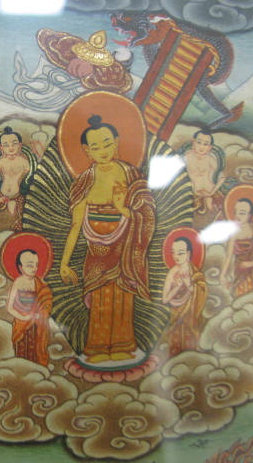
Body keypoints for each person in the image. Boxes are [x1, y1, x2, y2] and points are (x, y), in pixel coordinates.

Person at [59, 115, 155, 363]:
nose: (103, 151)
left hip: (124, 250)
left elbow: (145, 215)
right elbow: (76, 225)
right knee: (100, 297)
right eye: (95, 147)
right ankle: (98, 348)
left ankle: (123, 344)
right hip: (97, 253)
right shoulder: (85, 181)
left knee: (122, 296)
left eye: (107, 143)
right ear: (86, 151)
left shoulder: (130, 175)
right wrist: (64, 263)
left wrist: (122, 209)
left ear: (117, 142)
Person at [0, 126, 38, 232]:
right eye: (6, 145)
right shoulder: (0, 162)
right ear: (0, 147)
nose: (11, 147)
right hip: (1, 197)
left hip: (18, 197)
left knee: (20, 224)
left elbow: (35, 176)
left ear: (20, 145)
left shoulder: (24, 162)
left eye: (14, 143)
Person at [6, 249, 53, 366]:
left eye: (36, 265)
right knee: (23, 350)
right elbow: (9, 308)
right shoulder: (18, 282)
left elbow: (45, 300)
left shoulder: (39, 283)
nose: (34, 268)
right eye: (30, 265)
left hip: (37, 323)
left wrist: (41, 312)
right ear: (20, 267)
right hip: (22, 324)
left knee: (36, 349)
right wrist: (24, 317)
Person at [162, 237, 207, 357]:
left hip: (191, 315)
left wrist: (188, 284)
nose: (176, 256)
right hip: (176, 313)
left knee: (191, 341)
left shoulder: (195, 273)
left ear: (188, 254)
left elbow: (201, 292)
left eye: (180, 253)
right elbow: (165, 299)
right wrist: (177, 287)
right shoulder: (172, 273)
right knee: (176, 341)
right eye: (173, 252)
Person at [220, 198, 253, 297]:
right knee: (241, 293)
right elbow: (228, 255)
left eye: (241, 213)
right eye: (235, 212)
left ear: (249, 215)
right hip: (240, 270)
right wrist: (222, 275)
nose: (237, 216)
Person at [183, 130, 226, 214]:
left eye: (205, 144)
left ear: (209, 147)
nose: (201, 146)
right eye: (199, 142)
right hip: (193, 193)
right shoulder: (187, 157)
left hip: (210, 193)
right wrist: (192, 187)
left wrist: (212, 192)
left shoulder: (210, 159)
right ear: (193, 142)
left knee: (212, 207)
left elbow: (222, 177)